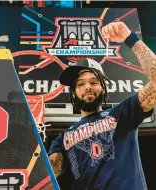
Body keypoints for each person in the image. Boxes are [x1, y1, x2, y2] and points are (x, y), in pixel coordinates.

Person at [48, 21, 156, 190]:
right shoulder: (63, 138)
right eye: (81, 84)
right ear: (74, 92)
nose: (88, 87)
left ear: (103, 88)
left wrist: (131, 38)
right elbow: (49, 175)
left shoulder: (122, 113)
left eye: (93, 82)